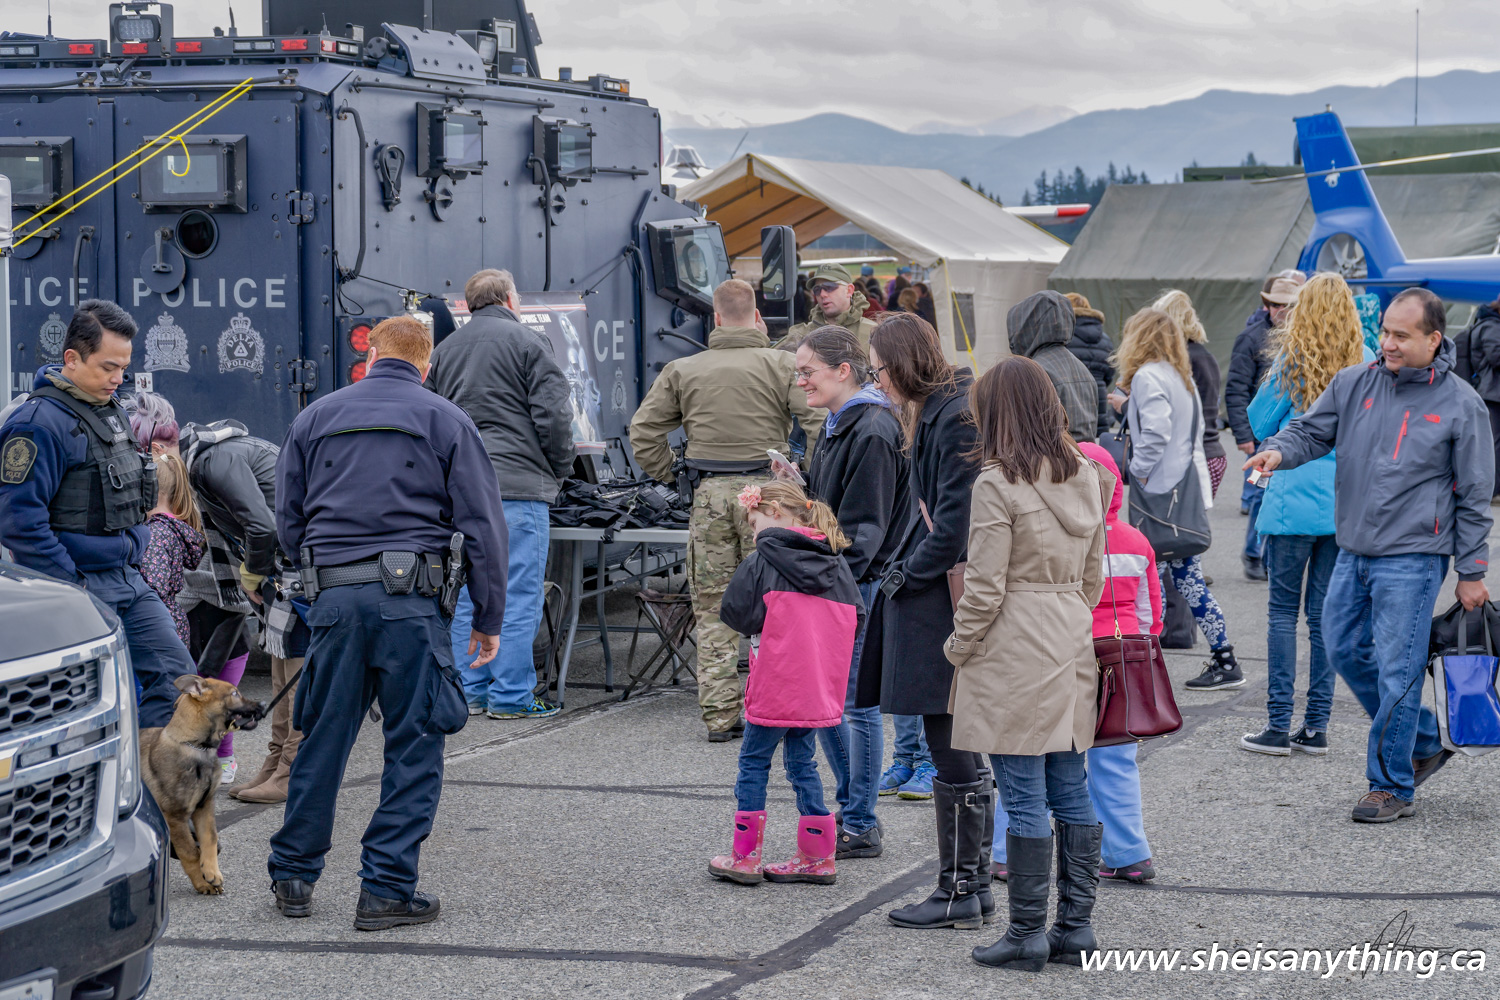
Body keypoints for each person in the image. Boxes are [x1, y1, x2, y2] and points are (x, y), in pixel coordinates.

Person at [268, 315, 507, 929]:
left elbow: (288, 519)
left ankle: (293, 876)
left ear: (371, 356)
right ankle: (386, 889)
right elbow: (482, 526)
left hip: (334, 601)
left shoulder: (314, 417)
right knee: (415, 742)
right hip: (413, 607)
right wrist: (488, 615)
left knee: (322, 736)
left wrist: (321, 580)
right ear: (427, 365)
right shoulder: (446, 420)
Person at [1247, 288, 1494, 822]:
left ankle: (1390, 786)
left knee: (1397, 672)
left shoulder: (1461, 403)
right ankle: (1423, 738)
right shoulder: (1353, 381)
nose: (1388, 343)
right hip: (1354, 548)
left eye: (1402, 335)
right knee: (1341, 648)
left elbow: (1475, 494)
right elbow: (1309, 431)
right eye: (1385, 332)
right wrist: (1278, 452)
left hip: (1415, 556)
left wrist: (1472, 570)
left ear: (1434, 339)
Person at [944, 356, 1108, 971]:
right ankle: (1075, 929)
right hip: (1068, 628)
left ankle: (1025, 933)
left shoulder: (997, 482)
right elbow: (1092, 578)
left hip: (1014, 635)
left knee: (1022, 792)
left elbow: (984, 586)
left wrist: (958, 646)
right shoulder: (1087, 472)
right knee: (1070, 784)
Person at [630, 279, 819, 740]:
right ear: (757, 317)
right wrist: (808, 476)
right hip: (771, 497)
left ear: (715, 318)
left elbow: (644, 431)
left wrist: (671, 473)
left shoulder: (682, 369)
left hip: (710, 494)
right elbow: (818, 421)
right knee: (777, 603)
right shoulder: (781, 364)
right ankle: (775, 709)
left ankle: (719, 716)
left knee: (714, 607)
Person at [853, 313, 993, 931]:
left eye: (880, 370)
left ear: (904, 363)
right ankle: (970, 888)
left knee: (950, 738)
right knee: (952, 739)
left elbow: (955, 522)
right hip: (933, 588)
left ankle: (961, 891)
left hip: (940, 595)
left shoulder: (953, 415)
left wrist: (906, 575)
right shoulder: (943, 409)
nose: (878, 382)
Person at [0, 299, 191, 728]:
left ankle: (144, 774)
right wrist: (72, 586)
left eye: (123, 367)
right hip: (77, 585)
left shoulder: (111, 411)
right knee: (78, 709)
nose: (118, 378)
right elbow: (19, 523)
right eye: (108, 367)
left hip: (128, 580)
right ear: (72, 358)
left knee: (180, 686)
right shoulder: (36, 425)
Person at [987, 442, 1160, 887]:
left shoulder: (1059, 532)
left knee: (1031, 753)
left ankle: (1006, 853)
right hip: (1121, 665)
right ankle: (1129, 853)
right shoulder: (1137, 541)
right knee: (1115, 762)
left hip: (1068, 656)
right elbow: (1151, 614)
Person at [427, 268, 576, 720]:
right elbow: (554, 416)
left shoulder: (445, 350)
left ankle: (468, 691)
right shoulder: (530, 343)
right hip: (518, 488)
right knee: (517, 592)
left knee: (467, 591)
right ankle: (511, 696)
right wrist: (559, 470)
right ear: (510, 300)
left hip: (462, 491)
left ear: (469, 304)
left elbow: (432, 418)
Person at [709, 480, 865, 886]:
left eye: (754, 523)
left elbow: (737, 613)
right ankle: (818, 856)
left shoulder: (762, 560)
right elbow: (857, 617)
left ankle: (745, 856)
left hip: (775, 681)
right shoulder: (837, 562)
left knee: (754, 761)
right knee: (802, 763)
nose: (753, 534)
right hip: (817, 686)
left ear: (775, 512)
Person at [793, 326, 911, 859]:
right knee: (834, 706)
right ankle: (855, 814)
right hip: (844, 578)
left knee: (853, 707)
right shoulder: (843, 422)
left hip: (855, 583)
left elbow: (865, 529)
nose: (801, 382)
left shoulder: (872, 428)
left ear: (844, 371)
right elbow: (838, 510)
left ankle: (860, 821)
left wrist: (830, 584)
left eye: (808, 372)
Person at [1240, 274, 1370, 756]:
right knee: (1323, 618)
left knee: (1281, 612)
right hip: (1342, 503)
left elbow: (1259, 422)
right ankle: (1316, 725)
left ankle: (1277, 723)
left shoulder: (1292, 360)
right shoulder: (1366, 362)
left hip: (1291, 497)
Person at [170, 404, 309, 804]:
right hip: (288, 564)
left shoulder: (213, 461)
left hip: (297, 565)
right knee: (281, 669)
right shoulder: (210, 458)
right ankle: (275, 762)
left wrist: (250, 574)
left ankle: (291, 771)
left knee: (295, 673)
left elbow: (262, 526)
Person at [1109, 309, 1243, 689]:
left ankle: (1144, 666)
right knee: (1186, 580)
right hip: (1182, 491)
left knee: (1148, 580)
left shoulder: (1148, 376)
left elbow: (1155, 433)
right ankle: (1224, 657)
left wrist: (1138, 470)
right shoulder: (1180, 377)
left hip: (1159, 494)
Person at [1224, 271, 1306, 579]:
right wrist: (1244, 434)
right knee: (1260, 493)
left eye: (1288, 305)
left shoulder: (1303, 339)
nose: (1281, 311)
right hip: (1261, 437)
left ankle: (1271, 556)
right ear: (1267, 306)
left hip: (1293, 437)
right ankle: (1253, 554)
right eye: (1276, 305)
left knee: (1284, 494)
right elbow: (1236, 389)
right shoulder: (1251, 338)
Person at [1007, 290, 1099, 444]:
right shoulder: (1082, 369)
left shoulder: (1034, 371)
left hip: (1052, 456)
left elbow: (1025, 434)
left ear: (1026, 327)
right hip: (1083, 456)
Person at [782, 263, 877, 351]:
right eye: (817, 290)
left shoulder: (872, 333)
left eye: (829, 287)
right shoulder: (801, 335)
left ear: (849, 290)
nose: (822, 294)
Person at [1062, 292, 1114, 439]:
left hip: (1071, 401)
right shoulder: (1105, 339)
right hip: (1099, 399)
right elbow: (1109, 373)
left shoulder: (1063, 336)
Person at [1463, 296, 1500, 500]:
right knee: (1493, 444)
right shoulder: (1491, 326)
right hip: (1493, 393)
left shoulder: (1489, 324)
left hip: (1492, 391)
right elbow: (1496, 356)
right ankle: (1491, 489)